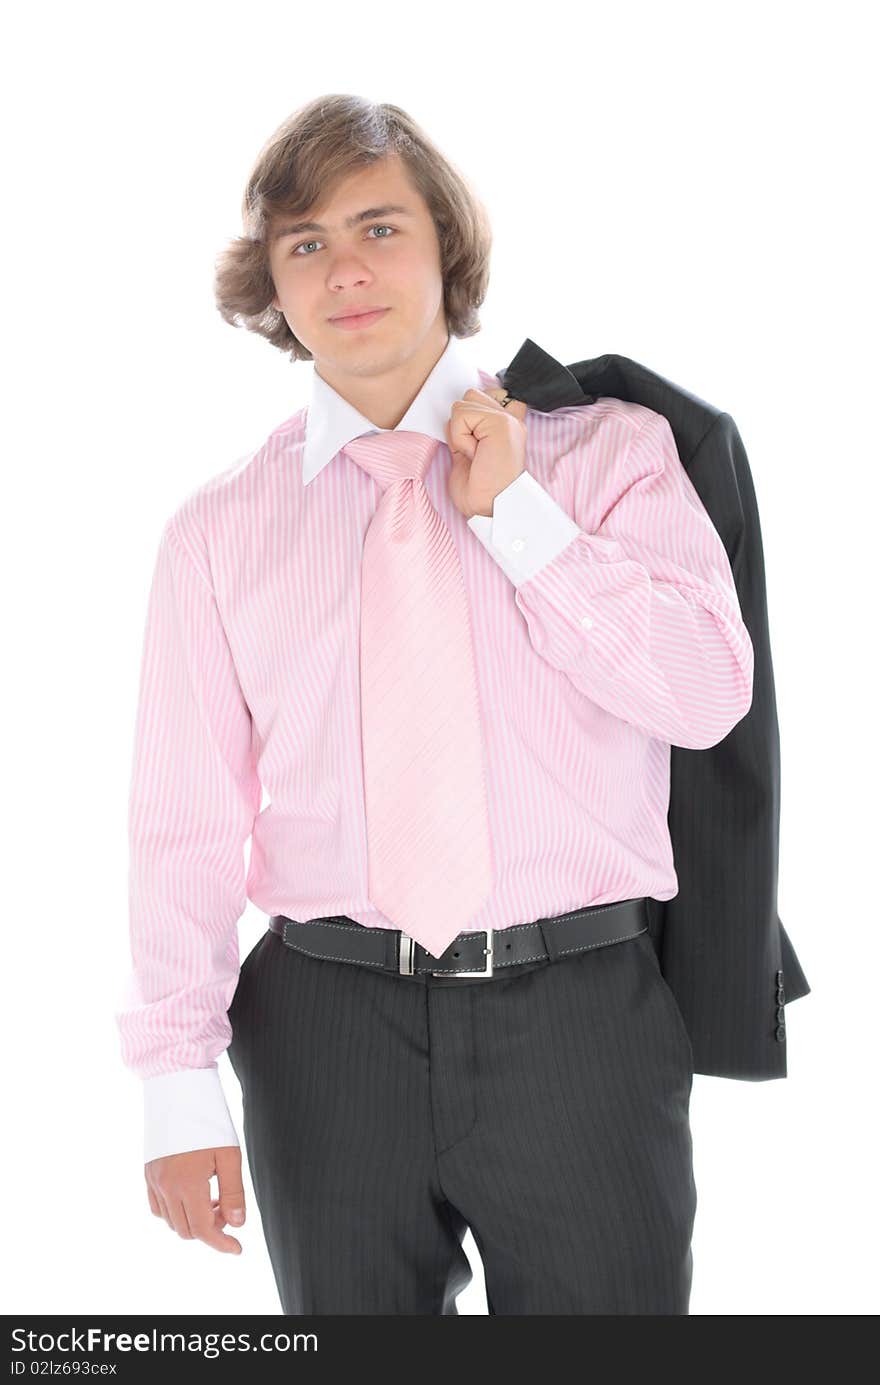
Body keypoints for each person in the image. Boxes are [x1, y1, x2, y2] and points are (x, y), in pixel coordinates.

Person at [116, 94, 755, 1314]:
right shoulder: (219, 531)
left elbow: (705, 693)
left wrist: (521, 520)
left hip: (579, 1019)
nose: (343, 269)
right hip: (324, 1029)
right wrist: (175, 1086)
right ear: (274, 284)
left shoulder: (609, 454)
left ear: (446, 249)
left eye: (378, 227)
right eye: (304, 243)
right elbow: (183, 824)